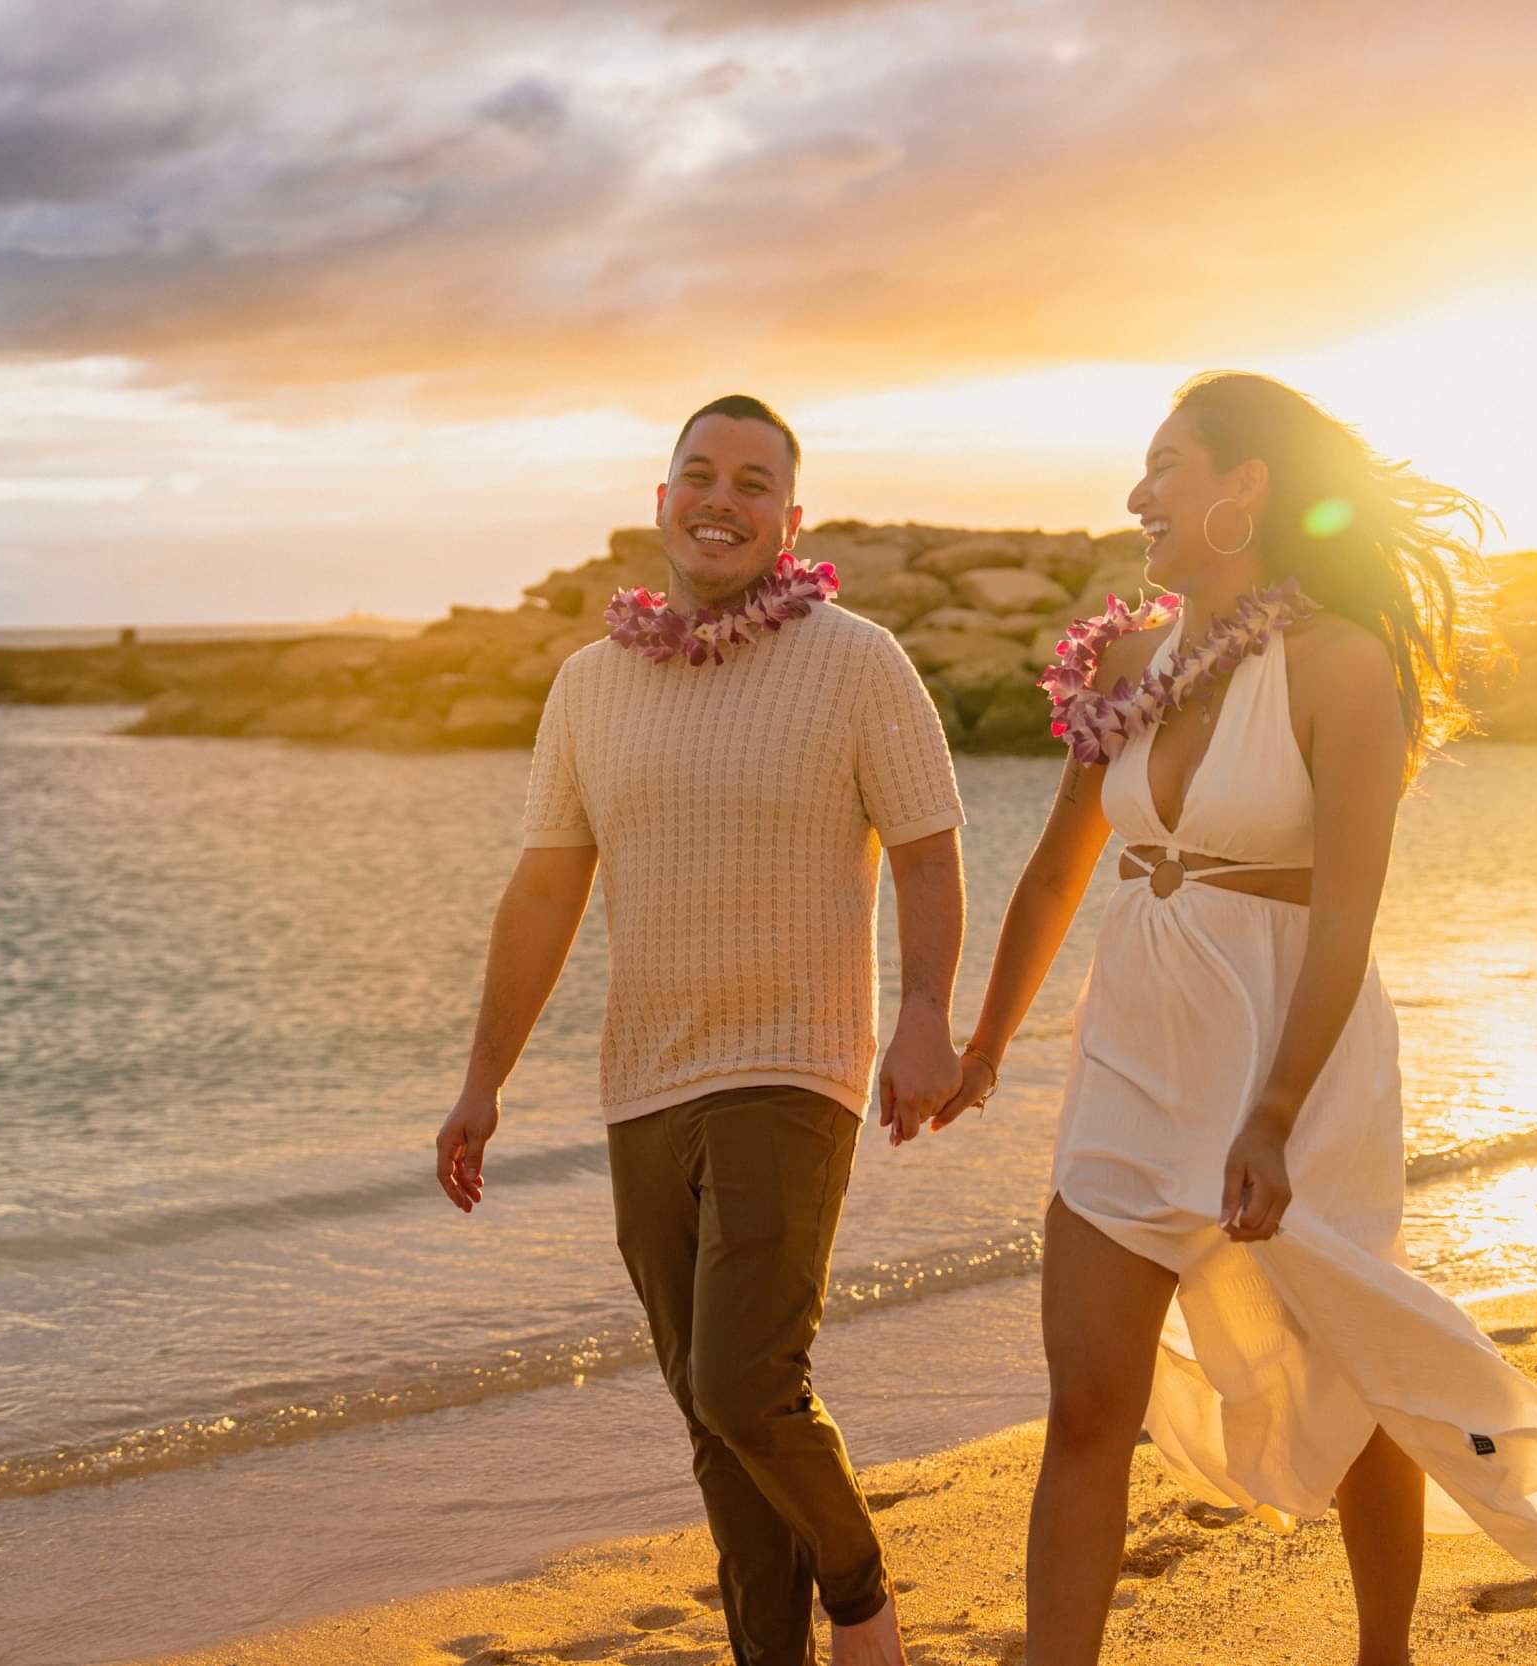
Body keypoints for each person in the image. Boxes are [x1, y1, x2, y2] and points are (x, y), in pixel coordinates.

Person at [928, 372, 1537, 1664]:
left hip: (1296, 1052)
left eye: (1165, 465)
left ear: (1244, 488)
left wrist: (1276, 1112)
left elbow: (1346, 915)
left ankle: (1382, 1651)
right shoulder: (1123, 661)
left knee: (1349, 1368)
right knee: (1089, 1400)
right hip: (1136, 1050)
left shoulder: (1342, 667)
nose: (1137, 492)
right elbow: (1062, 867)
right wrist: (987, 1045)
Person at [435, 394, 967, 1666]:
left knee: (744, 1381)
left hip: (794, 1066)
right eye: (699, 475)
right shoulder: (588, 684)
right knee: (708, 1412)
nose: (720, 499)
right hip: (643, 1082)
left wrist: (926, 1017)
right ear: (662, 499)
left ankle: (860, 1598)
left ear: (792, 519)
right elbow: (545, 891)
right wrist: (482, 1080)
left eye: (751, 482)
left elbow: (927, 850)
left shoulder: (856, 660)